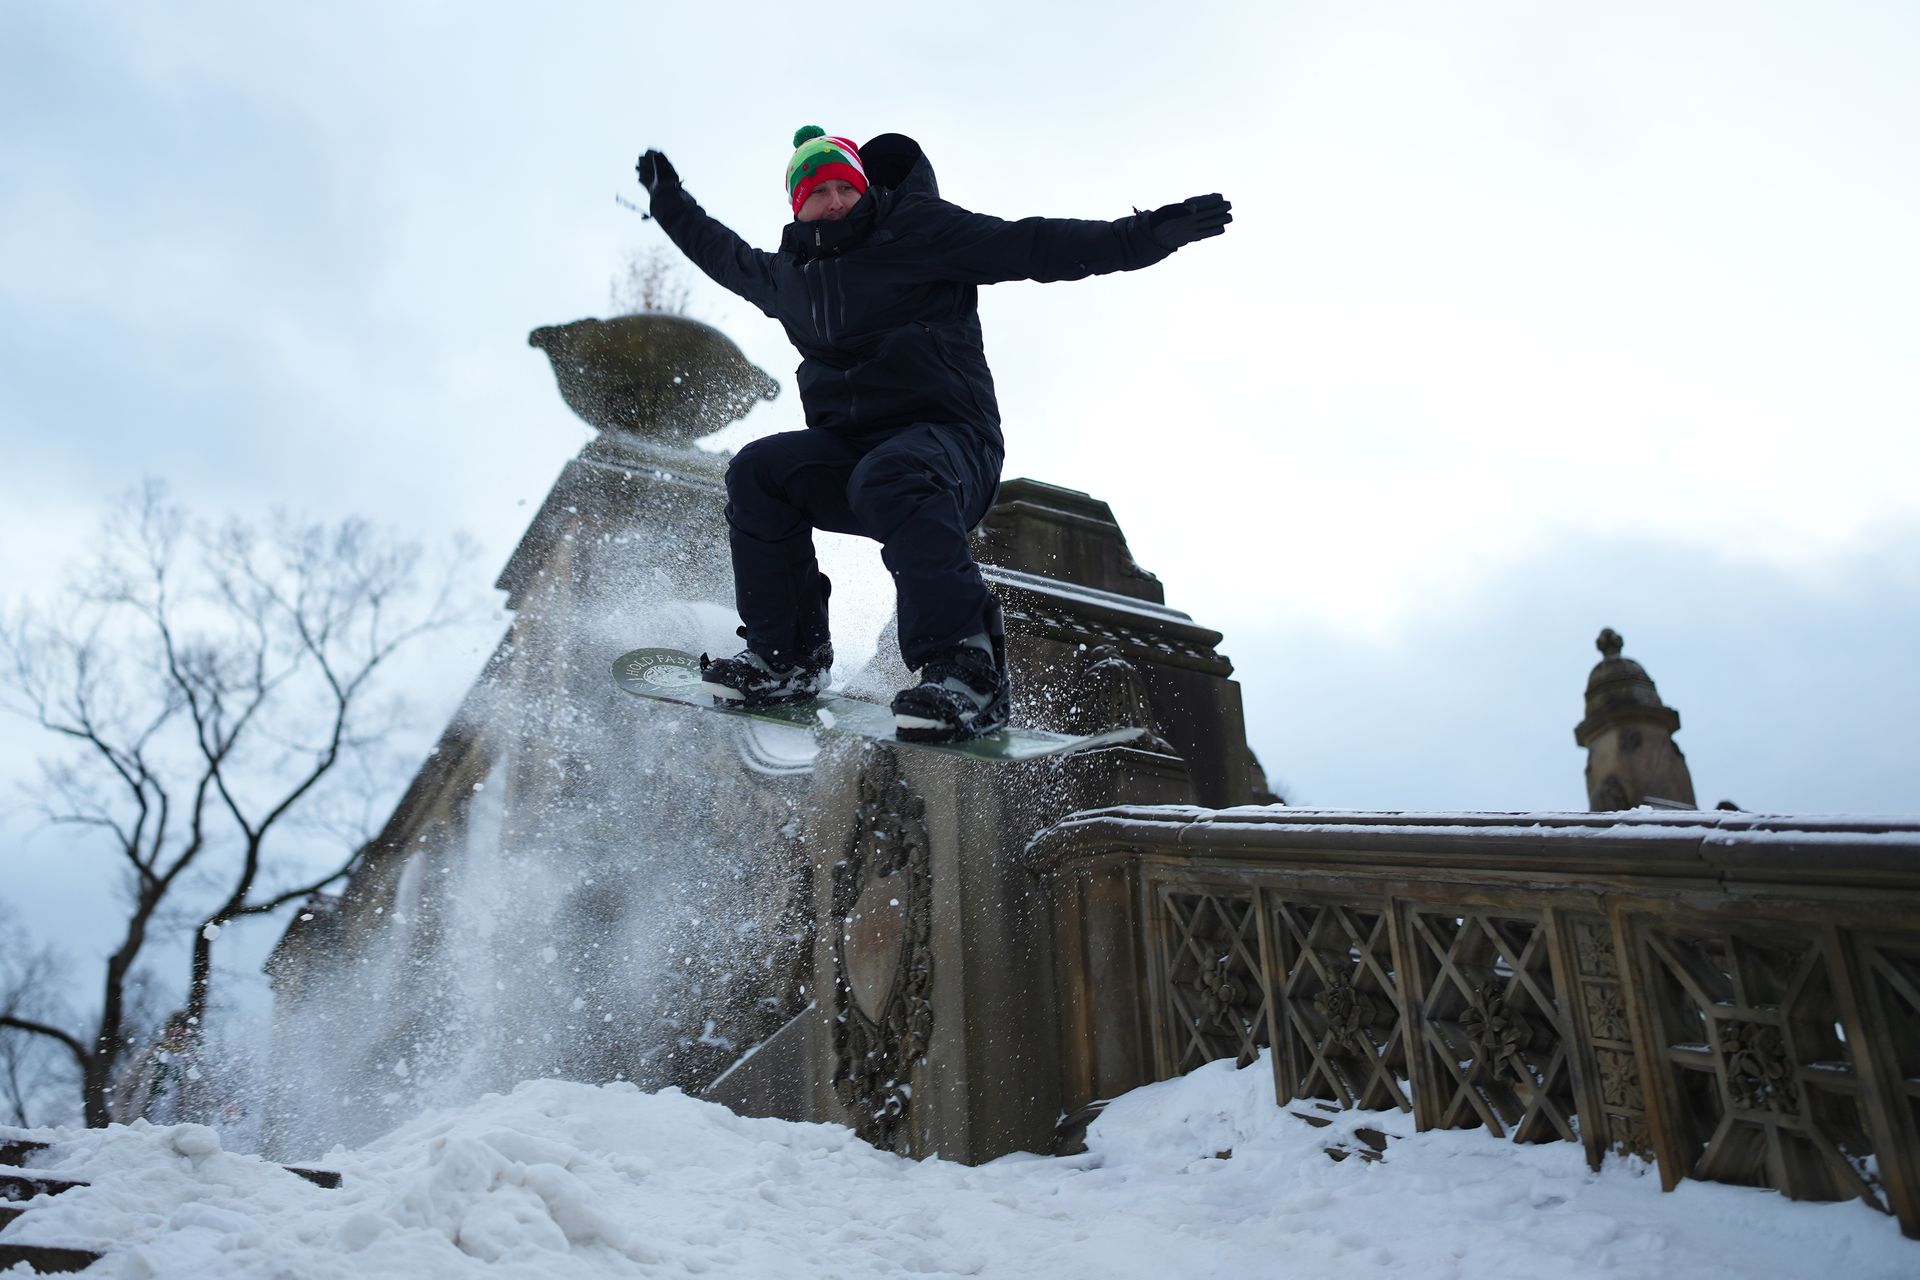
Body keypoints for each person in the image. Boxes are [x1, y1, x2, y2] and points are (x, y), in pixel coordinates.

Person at [635, 127, 1231, 741]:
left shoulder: (920, 231)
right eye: (819, 192)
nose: (835, 201)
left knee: (891, 473)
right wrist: (669, 202)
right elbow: (722, 254)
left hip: (952, 447)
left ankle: (968, 672)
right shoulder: (791, 277)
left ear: (865, 188)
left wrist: (1146, 234)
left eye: (846, 186)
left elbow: (1033, 244)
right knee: (758, 472)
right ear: (797, 206)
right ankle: (787, 657)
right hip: (855, 460)